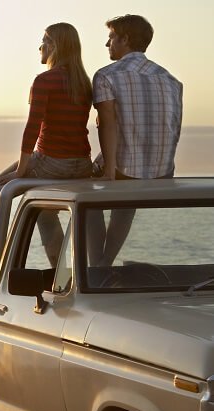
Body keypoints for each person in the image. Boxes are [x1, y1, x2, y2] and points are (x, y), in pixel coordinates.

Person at [88, 14, 183, 266]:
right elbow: (174, 127)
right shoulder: (171, 80)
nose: (107, 44)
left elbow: (107, 123)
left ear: (125, 39)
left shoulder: (106, 75)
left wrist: (108, 171)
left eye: (110, 38)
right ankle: (105, 264)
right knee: (125, 201)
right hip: (163, 174)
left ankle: (96, 267)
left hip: (126, 173)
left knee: (82, 193)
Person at [0, 23, 94, 205]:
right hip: (82, 164)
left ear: (54, 46)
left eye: (44, 41)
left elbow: (33, 127)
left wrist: (20, 171)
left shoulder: (44, 80)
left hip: (52, 163)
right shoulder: (84, 82)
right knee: (43, 208)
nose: (40, 47)